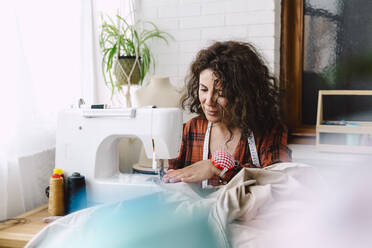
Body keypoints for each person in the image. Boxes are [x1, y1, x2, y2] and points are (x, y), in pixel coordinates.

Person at [163, 41, 292, 186]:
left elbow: (279, 181)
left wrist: (217, 167)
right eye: (204, 90)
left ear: (243, 94)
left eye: (221, 93)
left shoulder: (268, 131)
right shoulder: (190, 130)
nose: (209, 101)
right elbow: (172, 180)